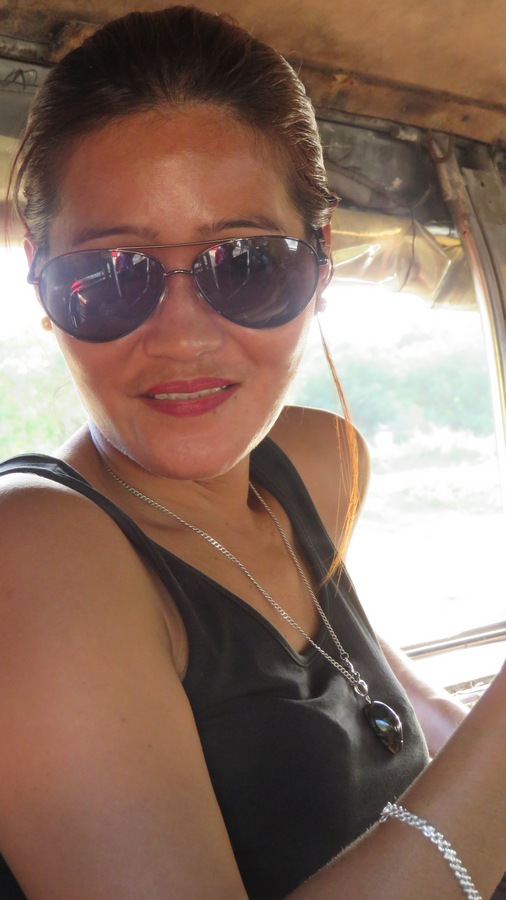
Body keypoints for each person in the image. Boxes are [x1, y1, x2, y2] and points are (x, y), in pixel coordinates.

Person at [0, 6, 504, 898]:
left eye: (248, 263)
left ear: (322, 262)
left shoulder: (317, 464)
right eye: (110, 277)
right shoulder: (36, 553)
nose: (183, 337)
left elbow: (377, 691)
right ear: (41, 277)